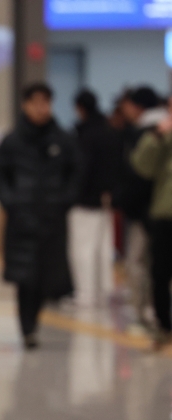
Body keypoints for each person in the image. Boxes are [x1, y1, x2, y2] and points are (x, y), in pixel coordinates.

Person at [0, 83, 81, 349]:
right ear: (25, 105)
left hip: (52, 221)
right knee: (25, 278)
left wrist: (65, 200)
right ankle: (27, 327)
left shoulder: (62, 139)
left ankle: (33, 324)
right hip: (22, 221)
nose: (41, 108)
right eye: (36, 102)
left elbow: (76, 172)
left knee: (46, 277)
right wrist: (11, 202)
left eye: (46, 102)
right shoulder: (12, 141)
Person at [117, 87, 166, 328]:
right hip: (159, 210)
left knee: (138, 262)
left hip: (147, 211)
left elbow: (140, 172)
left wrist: (128, 204)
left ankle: (144, 310)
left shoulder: (145, 134)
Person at [68, 89, 121, 307]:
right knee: (103, 248)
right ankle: (103, 291)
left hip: (85, 200)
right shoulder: (110, 131)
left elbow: (83, 169)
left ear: (80, 108)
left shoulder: (85, 135)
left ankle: (85, 294)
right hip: (106, 199)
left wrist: (72, 193)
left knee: (83, 248)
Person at [131, 96, 172, 349]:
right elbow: (142, 166)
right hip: (165, 214)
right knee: (160, 273)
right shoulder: (163, 135)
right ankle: (164, 326)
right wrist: (157, 136)